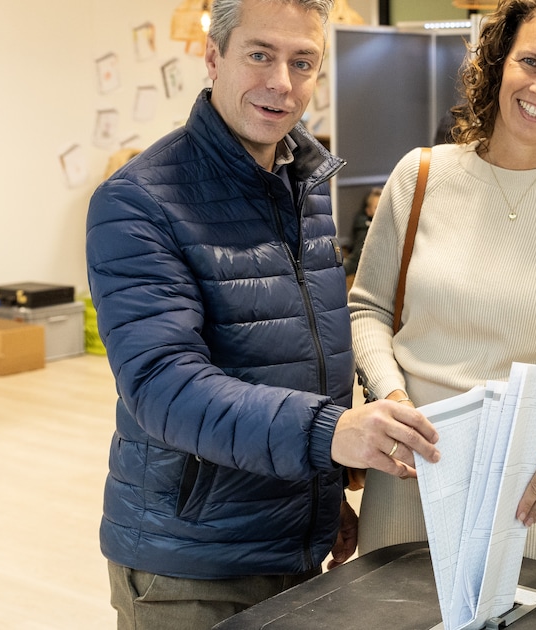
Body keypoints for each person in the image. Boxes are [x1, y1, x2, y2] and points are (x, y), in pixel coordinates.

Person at [85, 1, 440, 628]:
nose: (281, 81)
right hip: (190, 567)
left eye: (302, 61)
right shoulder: (136, 201)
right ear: (214, 56)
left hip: (296, 545)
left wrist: (320, 500)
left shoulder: (305, 186)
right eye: (260, 54)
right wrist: (330, 433)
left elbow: (298, 355)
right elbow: (164, 387)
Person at [349, 0, 536, 573]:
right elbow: (368, 311)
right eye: (530, 62)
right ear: (497, 65)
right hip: (410, 480)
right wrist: (391, 398)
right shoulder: (420, 177)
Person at [343, 186, 382, 276]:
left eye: (383, 207)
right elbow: (356, 259)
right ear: (368, 211)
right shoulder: (365, 232)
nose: (381, 211)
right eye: (376, 207)